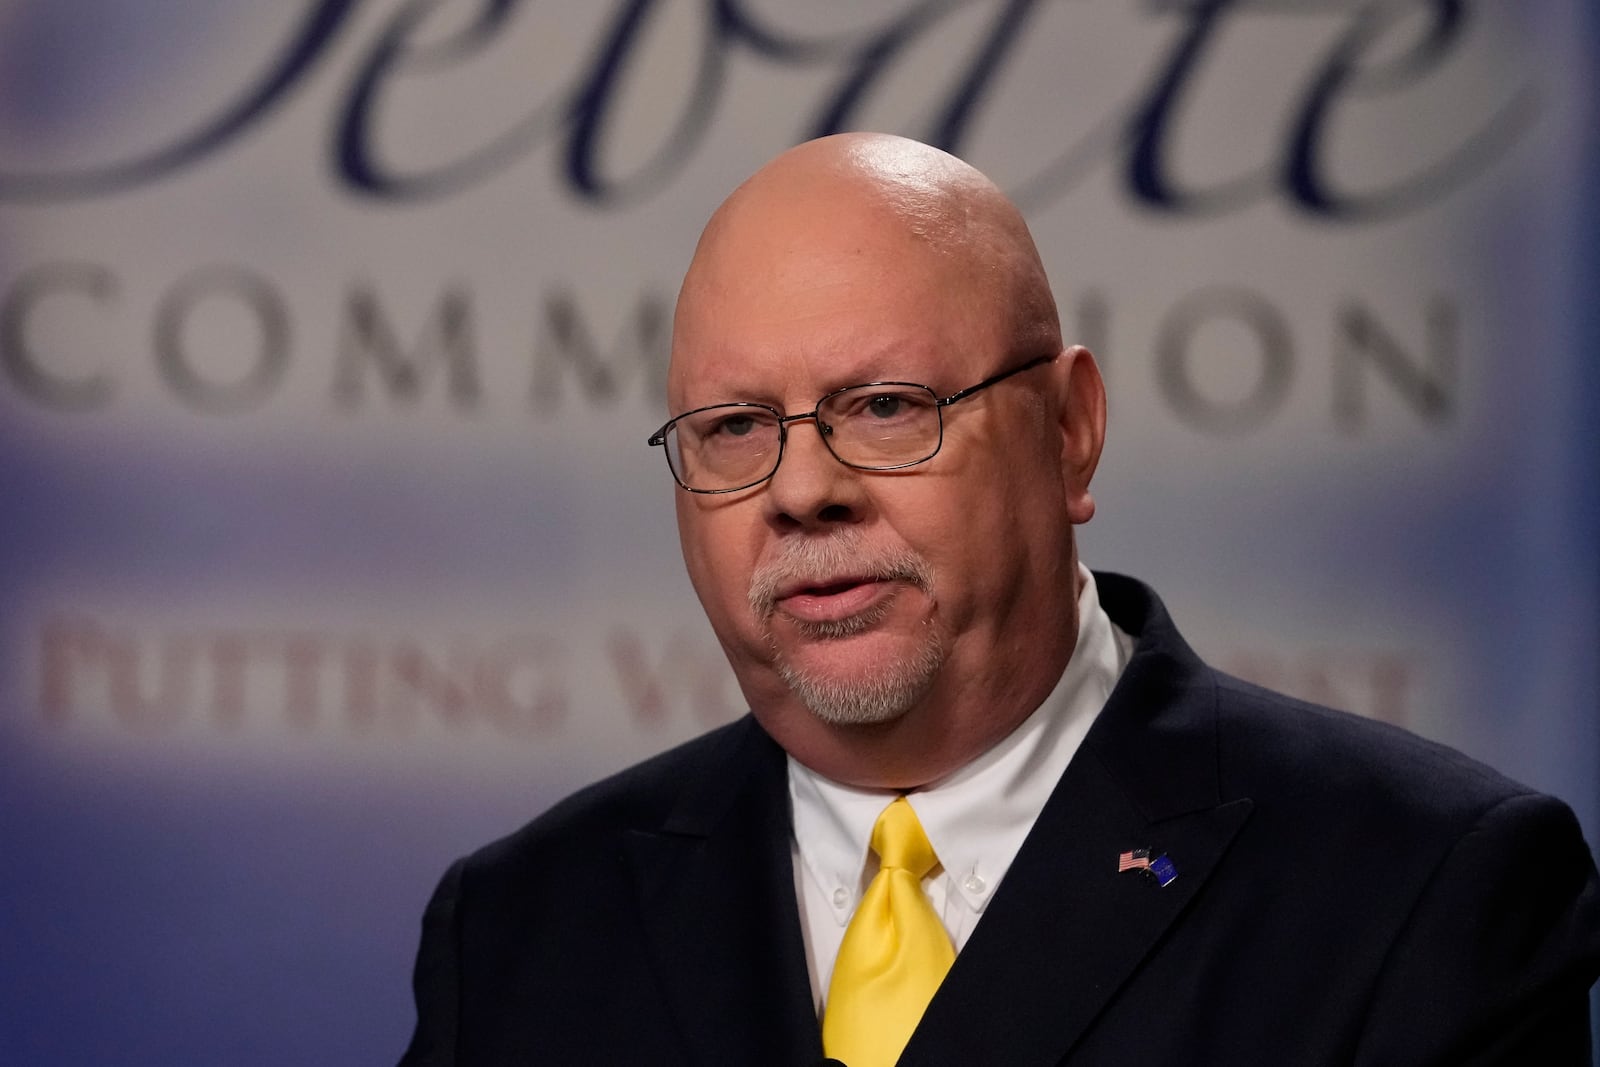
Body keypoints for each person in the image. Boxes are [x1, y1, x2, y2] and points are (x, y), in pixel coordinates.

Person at [400, 133, 1600, 1066]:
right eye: (733, 428)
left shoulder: (1420, 889)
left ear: (1070, 434)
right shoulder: (520, 926)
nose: (803, 489)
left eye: (883, 405)